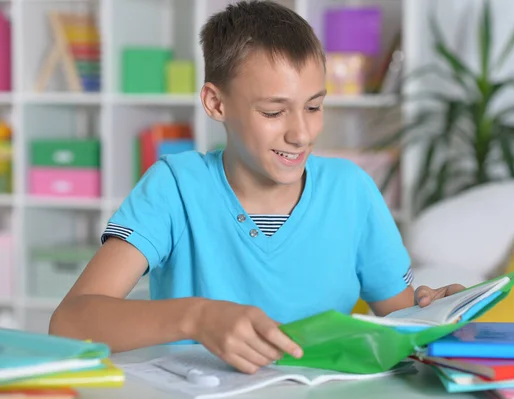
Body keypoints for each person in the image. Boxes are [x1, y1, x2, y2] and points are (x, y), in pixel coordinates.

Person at [49, 0, 464, 374]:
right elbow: (70, 322)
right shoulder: (175, 187)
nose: (301, 133)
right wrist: (196, 318)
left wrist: (435, 312)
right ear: (216, 104)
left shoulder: (351, 191)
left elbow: (401, 324)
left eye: (314, 106)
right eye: (273, 111)